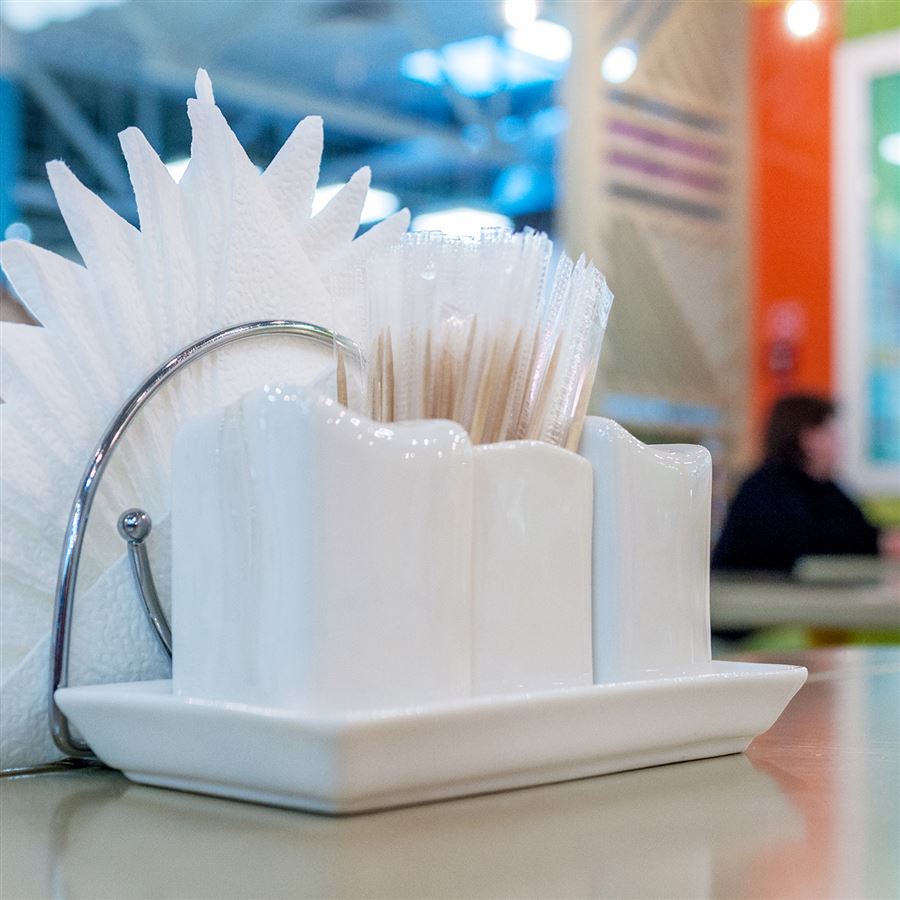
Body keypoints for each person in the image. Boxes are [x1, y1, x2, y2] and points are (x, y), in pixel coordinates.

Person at [712, 394, 882, 573]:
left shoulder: (826, 488)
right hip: (751, 589)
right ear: (806, 438)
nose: (840, 442)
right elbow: (806, 546)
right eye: (830, 432)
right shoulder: (766, 489)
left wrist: (880, 540)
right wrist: (877, 544)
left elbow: (859, 529)